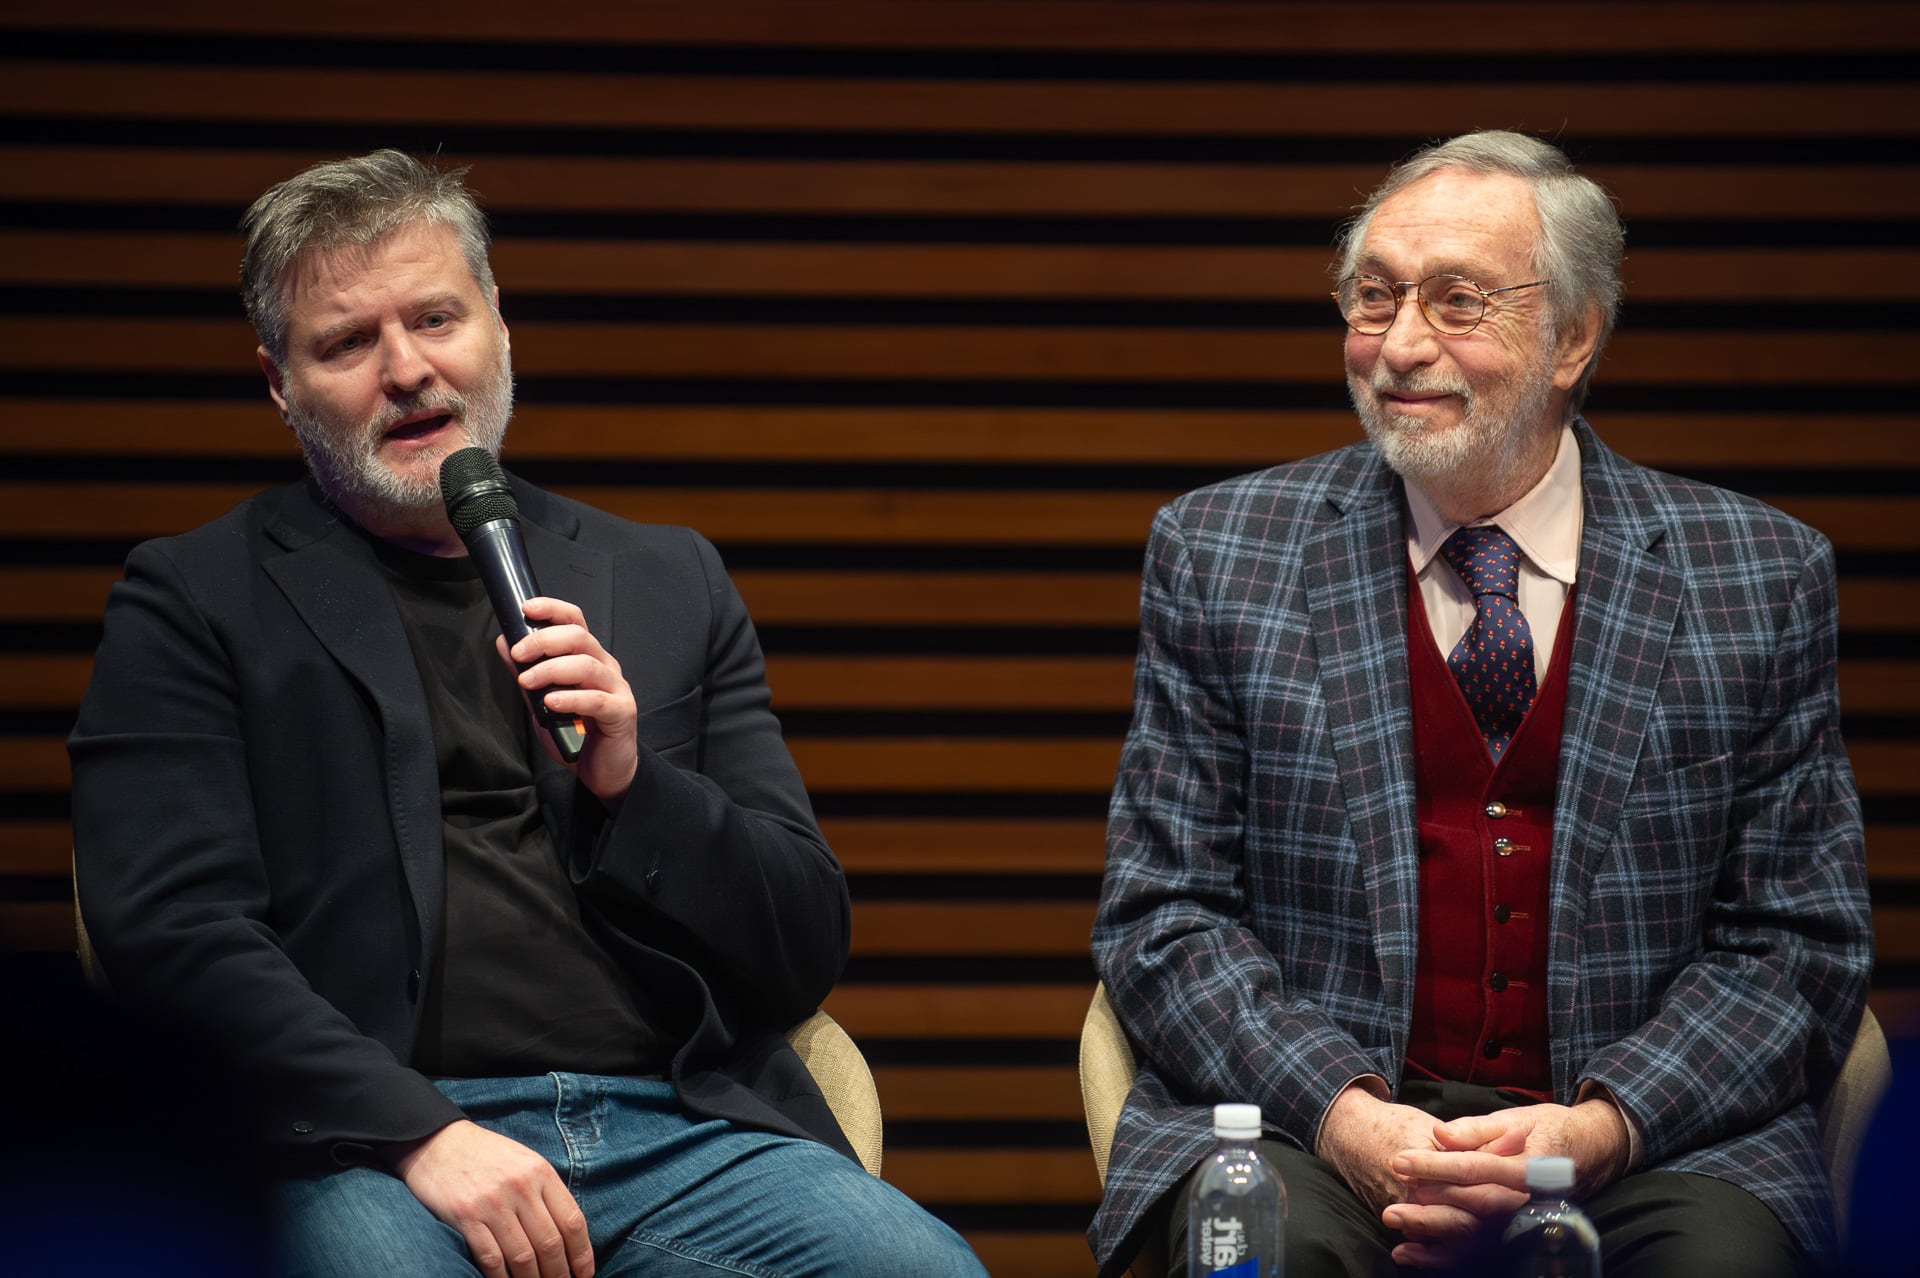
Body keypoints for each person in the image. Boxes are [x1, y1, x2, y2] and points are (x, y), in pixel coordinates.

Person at [68, 149, 986, 1278]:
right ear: (278, 381)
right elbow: (170, 937)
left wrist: (634, 786)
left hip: (681, 1129)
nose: (407, 370)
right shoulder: (195, 598)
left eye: (437, 318)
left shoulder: (666, 577)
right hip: (366, 1140)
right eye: (349, 343)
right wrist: (421, 1130)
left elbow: (801, 945)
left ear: (498, 323)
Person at [1089, 130, 1873, 1278]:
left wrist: (1599, 1130)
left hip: (1648, 1145)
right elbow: (1165, 916)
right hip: (1316, 1133)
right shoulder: (1220, 552)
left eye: (1459, 303)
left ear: (1572, 336)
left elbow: (1796, 944)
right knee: (1263, 1255)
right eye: (1375, 298)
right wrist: (1355, 1120)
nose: (1403, 345)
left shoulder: (1757, 574)